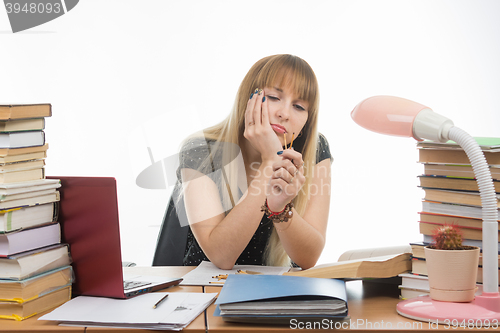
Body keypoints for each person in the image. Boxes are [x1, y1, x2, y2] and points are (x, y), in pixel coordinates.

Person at [153, 54, 332, 270]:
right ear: (249, 98)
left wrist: (280, 209)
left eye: (299, 107)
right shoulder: (201, 150)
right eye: (274, 97)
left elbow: (308, 258)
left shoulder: (316, 150)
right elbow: (221, 256)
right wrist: (270, 162)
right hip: (205, 292)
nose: (284, 113)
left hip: (275, 294)